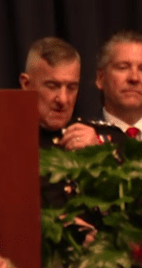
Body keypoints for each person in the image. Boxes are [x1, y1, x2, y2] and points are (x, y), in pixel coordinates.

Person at [20, 37, 122, 209]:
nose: (63, 99)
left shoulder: (108, 139)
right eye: (52, 86)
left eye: (71, 87)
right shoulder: (7, 145)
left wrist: (99, 157)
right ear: (26, 84)